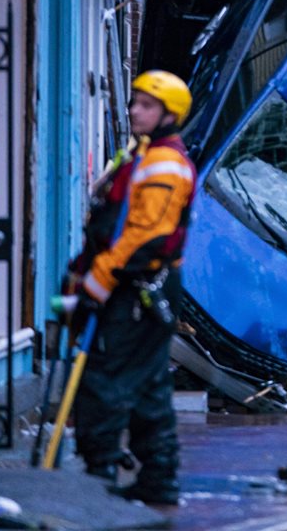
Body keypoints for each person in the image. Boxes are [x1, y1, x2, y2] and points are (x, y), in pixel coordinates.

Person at [71, 70, 197, 505]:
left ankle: (99, 474)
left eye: (146, 105)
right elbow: (112, 220)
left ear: (169, 115)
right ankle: (158, 477)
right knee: (147, 385)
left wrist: (97, 283)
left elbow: (145, 236)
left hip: (139, 285)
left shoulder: (164, 163)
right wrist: (81, 272)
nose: (134, 111)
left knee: (104, 378)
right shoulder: (140, 154)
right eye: (134, 102)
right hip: (135, 283)